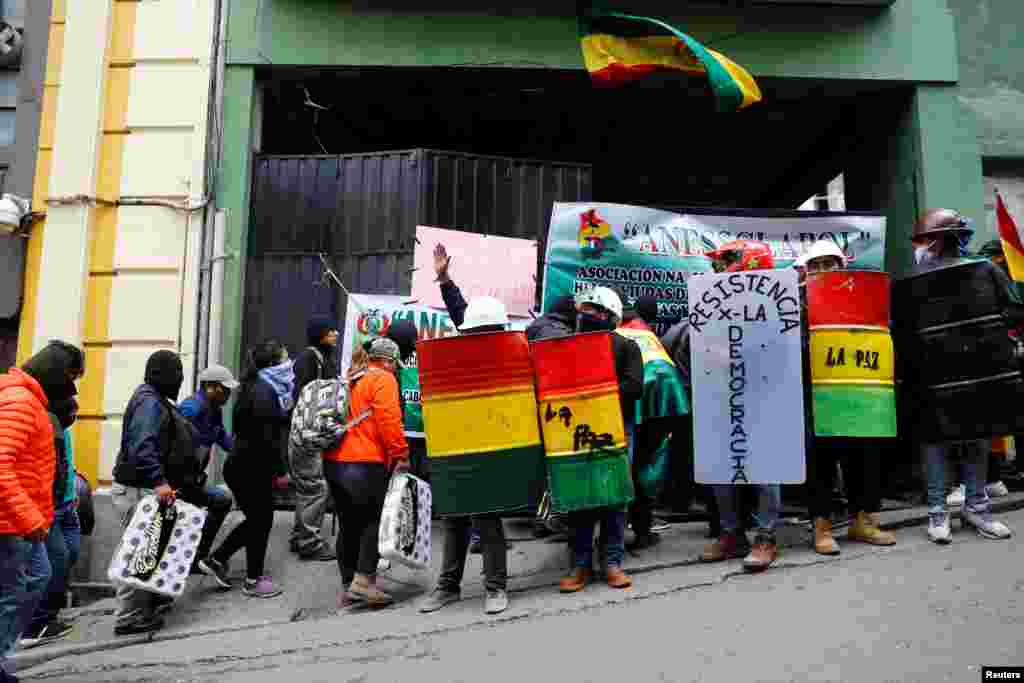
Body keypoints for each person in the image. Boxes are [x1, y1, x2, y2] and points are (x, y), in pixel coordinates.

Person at [903, 209, 1015, 544]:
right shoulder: (912, 283)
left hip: (977, 374)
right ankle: (938, 512)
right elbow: (904, 332)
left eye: (924, 240)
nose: (920, 247)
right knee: (935, 443)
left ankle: (977, 508)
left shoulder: (985, 271)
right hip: (933, 377)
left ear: (941, 240)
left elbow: (1010, 312)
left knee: (977, 438)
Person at [112, 350, 226, 634]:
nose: (180, 381)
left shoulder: (154, 400)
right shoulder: (150, 404)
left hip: (146, 487)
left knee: (146, 549)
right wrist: (159, 482)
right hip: (140, 488)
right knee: (139, 552)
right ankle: (129, 618)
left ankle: (144, 606)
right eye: (177, 375)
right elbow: (143, 446)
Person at [420, 281, 516, 615]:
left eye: (488, 330)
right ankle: (448, 587)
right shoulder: (453, 358)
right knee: (455, 520)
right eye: (479, 330)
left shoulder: (511, 358)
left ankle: (495, 588)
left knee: (487, 521)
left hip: (490, 451)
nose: (483, 335)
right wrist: (447, 283)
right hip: (457, 450)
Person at [796, 240, 897, 555]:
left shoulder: (863, 299)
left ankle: (863, 521)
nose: (825, 270)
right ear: (806, 270)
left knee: (864, 457)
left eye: (831, 263)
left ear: (842, 266)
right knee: (821, 463)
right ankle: (822, 526)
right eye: (817, 264)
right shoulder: (794, 303)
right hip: (816, 396)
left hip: (857, 391)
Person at [699, 241, 784, 572]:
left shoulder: (777, 305)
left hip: (764, 398)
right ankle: (732, 534)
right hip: (723, 397)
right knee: (722, 469)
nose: (718, 269)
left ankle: (765, 537)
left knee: (765, 470)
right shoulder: (716, 305)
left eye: (725, 261)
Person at [0, 341, 82, 682]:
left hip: (22, 520)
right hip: (12, 522)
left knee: (35, 578)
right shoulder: (20, 402)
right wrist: (31, 518)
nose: (74, 387)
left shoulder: (30, 401)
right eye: (72, 376)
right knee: (20, 588)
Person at [559, 286, 643, 593]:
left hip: (616, 432)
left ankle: (612, 562)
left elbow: (634, 387)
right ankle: (580, 564)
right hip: (577, 432)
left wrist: (596, 395)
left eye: (592, 310)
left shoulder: (627, 347)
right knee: (580, 498)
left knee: (614, 498)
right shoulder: (569, 347)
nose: (585, 315)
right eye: (584, 310)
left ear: (608, 316)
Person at [201, 341, 293, 597]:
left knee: (257, 520)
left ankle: (217, 560)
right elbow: (267, 438)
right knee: (261, 522)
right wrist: (280, 471)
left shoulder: (257, 387)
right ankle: (253, 580)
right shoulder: (264, 391)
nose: (289, 364)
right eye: (285, 359)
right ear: (273, 364)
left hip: (244, 465)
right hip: (251, 468)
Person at [326, 337, 409, 608]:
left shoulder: (351, 377)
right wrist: (401, 454)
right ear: (387, 360)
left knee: (348, 523)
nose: (395, 369)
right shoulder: (382, 379)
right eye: (394, 364)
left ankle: (348, 585)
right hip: (364, 462)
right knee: (373, 521)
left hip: (334, 461)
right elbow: (389, 422)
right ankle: (363, 583)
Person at [19, 398, 82, 649]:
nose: (73, 416)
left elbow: (66, 464)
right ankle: (36, 623)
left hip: (68, 503)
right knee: (54, 560)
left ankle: (50, 614)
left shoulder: (64, 432)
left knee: (70, 553)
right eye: (71, 411)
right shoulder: (44, 426)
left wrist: (73, 488)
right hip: (51, 507)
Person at [288, 318, 339, 561]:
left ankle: (300, 536)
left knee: (308, 487)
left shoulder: (321, 357)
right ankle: (309, 542)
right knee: (316, 488)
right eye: (331, 331)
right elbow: (303, 396)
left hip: (309, 434)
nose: (336, 334)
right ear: (320, 335)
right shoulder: (309, 359)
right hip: (308, 434)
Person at [177, 365, 236, 567]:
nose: (228, 393)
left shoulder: (215, 411)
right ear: (211, 387)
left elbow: (221, 437)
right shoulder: (191, 409)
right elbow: (177, 447)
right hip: (180, 482)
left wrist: (242, 453)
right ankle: (192, 559)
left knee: (221, 501)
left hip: (192, 480)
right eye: (225, 388)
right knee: (218, 502)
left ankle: (197, 557)